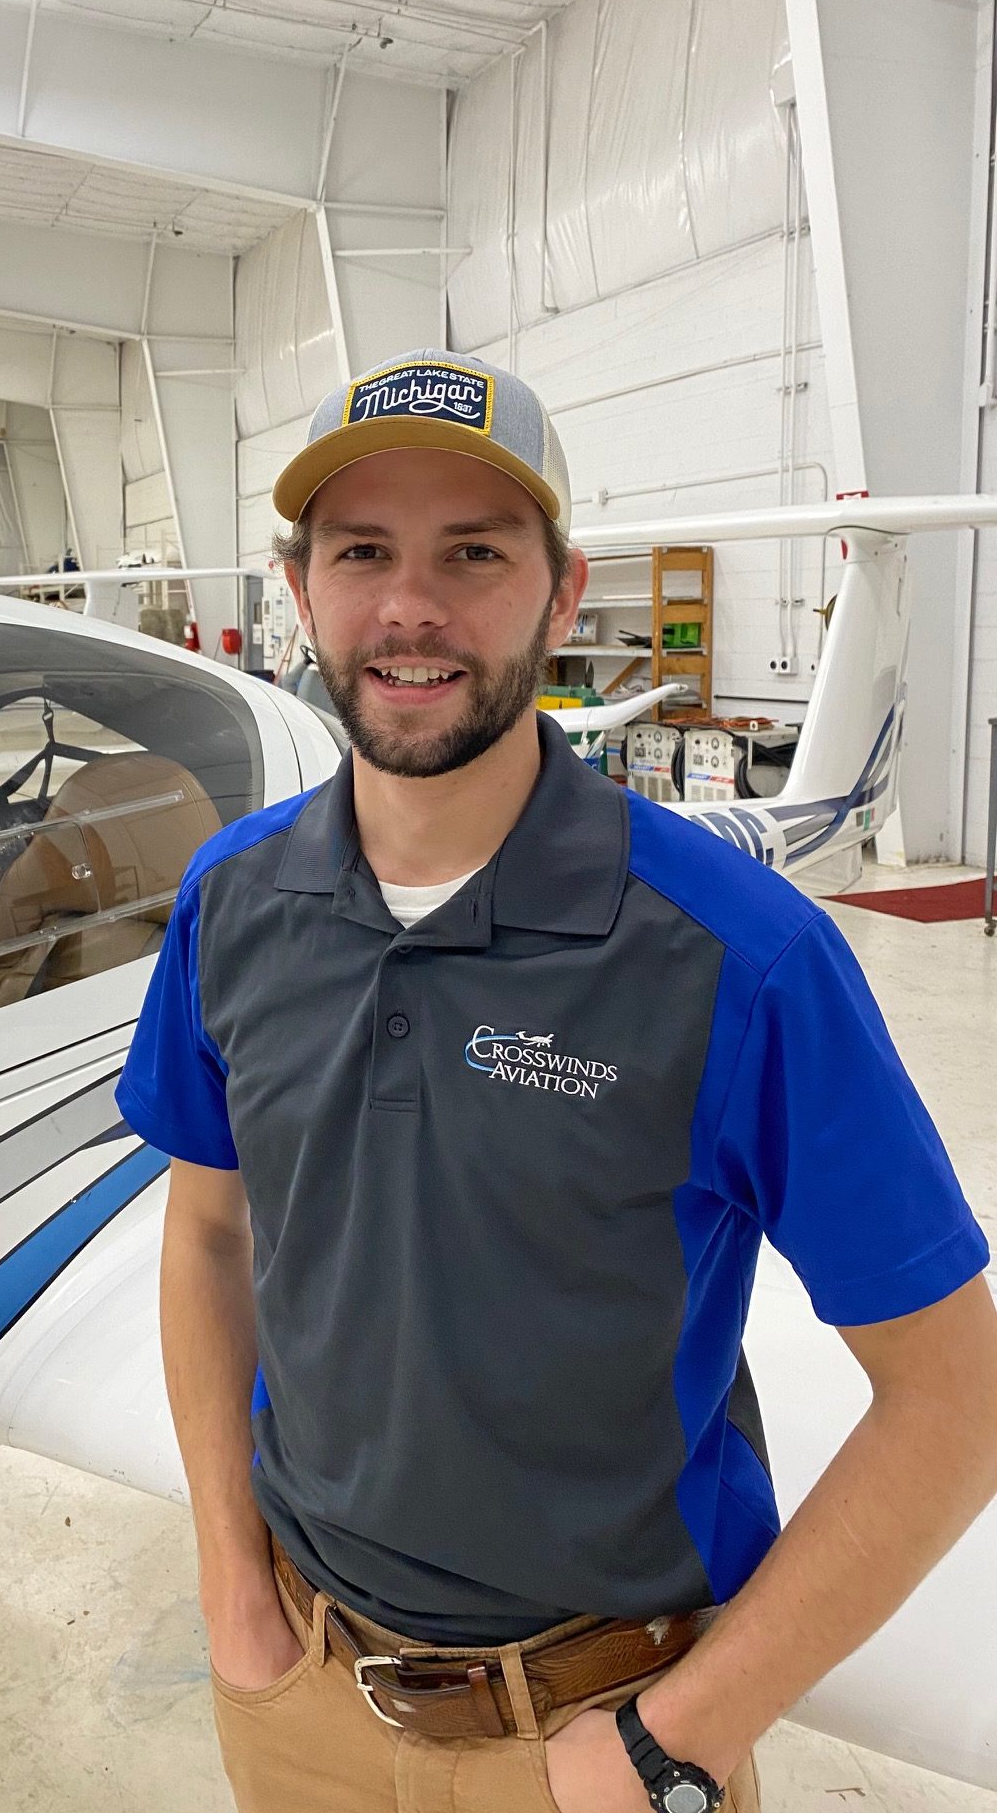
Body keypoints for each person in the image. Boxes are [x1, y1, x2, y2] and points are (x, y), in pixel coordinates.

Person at [114, 347, 997, 1813]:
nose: (411, 606)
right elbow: (210, 1234)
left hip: (602, 1724)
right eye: (362, 552)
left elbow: (955, 1400)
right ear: (301, 593)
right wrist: (231, 1590)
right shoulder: (233, 902)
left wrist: (677, 1737)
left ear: (564, 594)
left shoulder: (742, 959)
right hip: (299, 1690)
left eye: (474, 552)